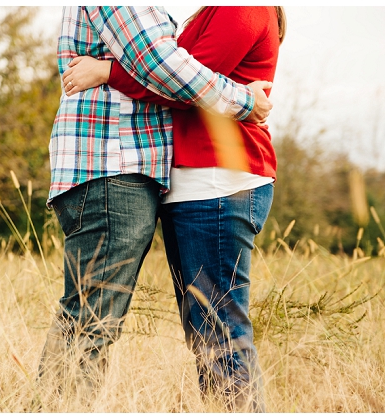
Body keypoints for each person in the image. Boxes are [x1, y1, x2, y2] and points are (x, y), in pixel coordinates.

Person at [38, 6, 274, 405]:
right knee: (99, 320)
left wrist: (109, 71)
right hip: (117, 163)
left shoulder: (241, 8)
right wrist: (244, 101)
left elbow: (177, 75)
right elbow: (168, 70)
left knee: (214, 330)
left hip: (212, 179)